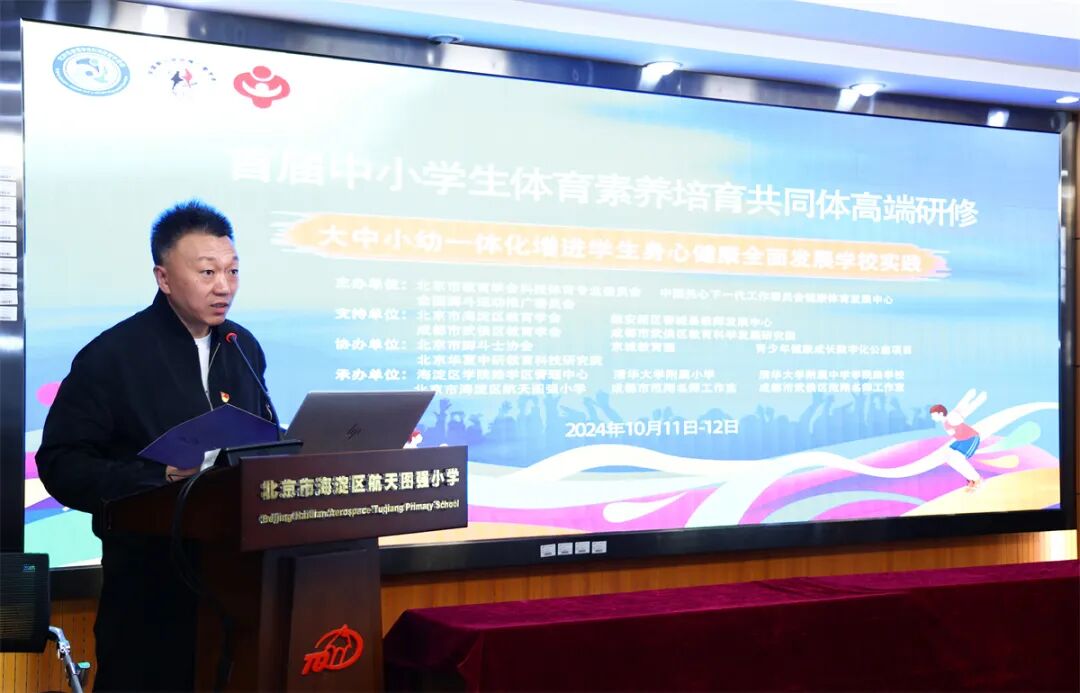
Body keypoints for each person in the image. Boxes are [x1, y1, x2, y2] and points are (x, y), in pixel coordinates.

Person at [36, 200, 276, 691]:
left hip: (236, 584)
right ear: (163, 278)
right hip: (150, 591)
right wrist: (158, 478)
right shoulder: (113, 356)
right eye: (207, 272)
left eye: (232, 271)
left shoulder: (242, 346)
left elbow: (263, 440)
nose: (224, 286)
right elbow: (61, 463)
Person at [929, 395, 983, 490]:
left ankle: (977, 479)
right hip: (961, 440)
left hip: (971, 438)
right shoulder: (945, 422)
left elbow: (963, 408)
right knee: (948, 457)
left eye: (933, 415)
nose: (932, 418)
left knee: (957, 459)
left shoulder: (952, 417)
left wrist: (974, 397)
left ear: (940, 413)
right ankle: (971, 479)